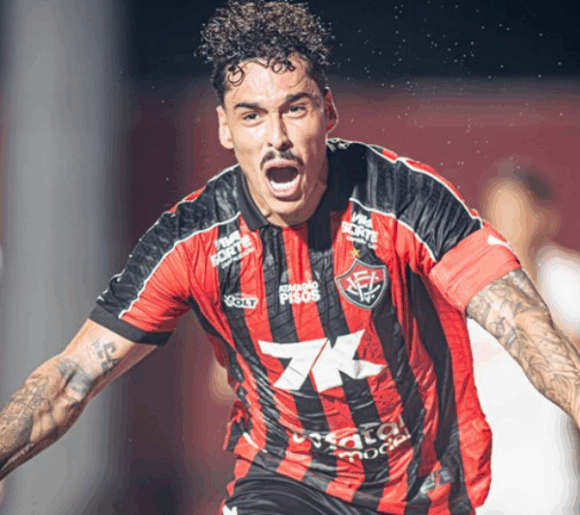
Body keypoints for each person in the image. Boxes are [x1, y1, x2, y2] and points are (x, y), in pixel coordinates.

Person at [0, 2, 579, 514]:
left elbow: (525, 323)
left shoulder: (405, 201)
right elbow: (70, 378)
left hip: (422, 490)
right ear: (225, 128)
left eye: (294, 109)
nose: (275, 136)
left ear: (328, 111)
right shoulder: (191, 240)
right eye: (252, 115)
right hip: (284, 481)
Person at [468, 161, 580, 514]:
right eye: (497, 210)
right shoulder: (463, 283)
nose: (505, 222)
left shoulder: (568, 278)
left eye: (516, 210)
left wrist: (524, 275)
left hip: (546, 462)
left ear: (544, 217)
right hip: (481, 462)